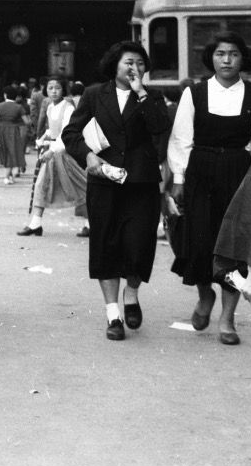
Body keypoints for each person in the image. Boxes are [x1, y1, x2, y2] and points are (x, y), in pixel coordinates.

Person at [62, 40, 172, 341]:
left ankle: (132, 294)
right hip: (104, 182)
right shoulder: (95, 94)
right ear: (115, 64)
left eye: (139, 62)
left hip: (141, 182)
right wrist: (87, 156)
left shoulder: (152, 97)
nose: (134, 67)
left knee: (139, 245)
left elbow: (160, 127)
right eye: (128, 62)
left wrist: (140, 93)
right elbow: (70, 133)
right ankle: (113, 314)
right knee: (106, 245)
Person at [166, 32, 251, 345]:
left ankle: (227, 319)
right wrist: (178, 179)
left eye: (233, 54)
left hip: (239, 173)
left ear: (242, 59)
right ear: (212, 58)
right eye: (221, 54)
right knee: (200, 241)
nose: (227, 60)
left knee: (233, 246)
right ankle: (205, 297)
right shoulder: (195, 93)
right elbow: (181, 138)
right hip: (201, 171)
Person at [18, 77, 89, 237]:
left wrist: (51, 150)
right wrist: (42, 140)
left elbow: (67, 133)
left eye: (57, 88)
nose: (54, 91)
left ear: (63, 90)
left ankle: (89, 224)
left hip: (66, 154)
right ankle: (35, 223)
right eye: (50, 88)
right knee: (42, 185)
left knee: (80, 189)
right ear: (46, 90)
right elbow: (52, 130)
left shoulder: (68, 107)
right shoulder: (50, 106)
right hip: (54, 153)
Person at [0, 85, 29, 184]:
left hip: (1, 130)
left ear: (5, 95)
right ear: (16, 96)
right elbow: (27, 122)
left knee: (5, 152)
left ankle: (9, 176)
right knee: (13, 152)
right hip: (14, 131)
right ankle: (7, 176)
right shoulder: (19, 107)